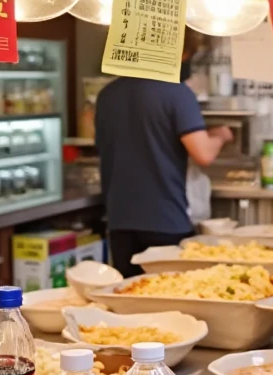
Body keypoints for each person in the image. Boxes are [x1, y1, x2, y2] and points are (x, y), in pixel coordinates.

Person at [96, 62, 232, 277]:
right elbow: (204, 153)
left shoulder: (107, 95)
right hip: (166, 221)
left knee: (129, 299)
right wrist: (221, 135)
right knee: (168, 299)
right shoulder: (176, 93)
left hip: (120, 223)